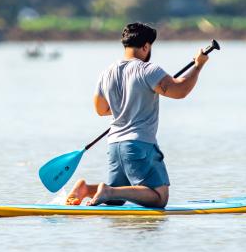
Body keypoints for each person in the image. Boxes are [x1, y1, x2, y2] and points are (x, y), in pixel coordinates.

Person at [65, 22, 208, 208]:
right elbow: (179, 90)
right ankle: (107, 190)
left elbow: (100, 110)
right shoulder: (148, 70)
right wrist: (198, 66)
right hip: (138, 145)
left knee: (117, 198)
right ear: (146, 46)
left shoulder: (106, 73)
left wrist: (127, 105)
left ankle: (86, 189)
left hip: (115, 145)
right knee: (159, 198)